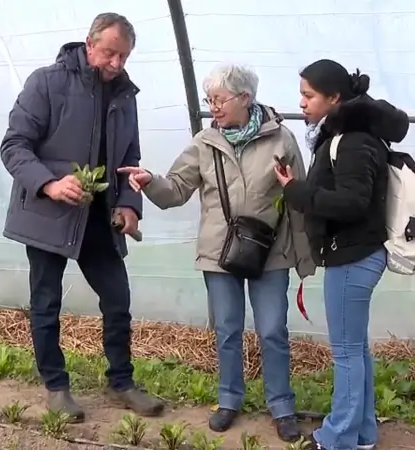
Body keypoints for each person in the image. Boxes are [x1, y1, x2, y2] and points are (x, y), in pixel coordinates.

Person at [118, 63, 316, 442]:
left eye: (220, 99)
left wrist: (304, 256)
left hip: (270, 252)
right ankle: (229, 400)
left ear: (245, 98)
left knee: (273, 330)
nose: (213, 107)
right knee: (227, 329)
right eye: (210, 100)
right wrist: (150, 182)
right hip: (219, 252)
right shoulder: (204, 143)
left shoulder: (281, 140)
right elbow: (176, 189)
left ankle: (282, 406)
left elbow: (298, 198)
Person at [0, 12, 164, 422]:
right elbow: (15, 146)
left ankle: (121, 381)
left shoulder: (126, 95)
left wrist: (128, 204)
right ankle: (56, 387)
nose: (116, 64)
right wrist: (51, 184)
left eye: (124, 56)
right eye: (109, 53)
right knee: (47, 302)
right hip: (47, 213)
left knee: (117, 299)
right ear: (89, 44)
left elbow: (129, 159)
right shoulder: (47, 83)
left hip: (98, 217)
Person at [273, 60, 409, 450]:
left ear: (334, 98)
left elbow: (352, 202)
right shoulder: (354, 136)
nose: (301, 102)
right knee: (356, 351)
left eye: (308, 95)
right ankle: (362, 434)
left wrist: (296, 190)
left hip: (352, 257)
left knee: (346, 355)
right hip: (357, 254)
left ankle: (337, 439)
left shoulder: (351, 140)